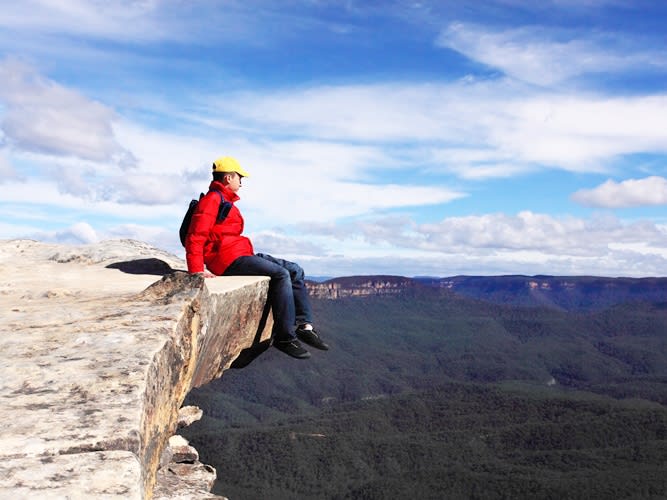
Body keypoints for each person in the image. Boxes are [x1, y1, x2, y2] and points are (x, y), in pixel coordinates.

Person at [185, 156, 329, 359]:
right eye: (239, 177)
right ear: (228, 178)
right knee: (281, 274)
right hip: (227, 260)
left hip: (241, 253)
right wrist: (197, 269)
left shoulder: (224, 200)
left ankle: (305, 326)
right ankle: (285, 337)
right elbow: (196, 235)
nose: (241, 182)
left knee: (295, 270)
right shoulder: (212, 200)